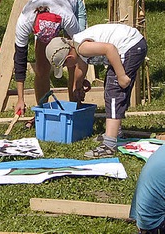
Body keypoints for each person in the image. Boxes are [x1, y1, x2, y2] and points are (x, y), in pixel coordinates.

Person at [45, 23, 147, 158]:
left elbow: (109, 49)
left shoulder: (82, 48)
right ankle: (114, 132)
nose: (67, 67)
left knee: (114, 91)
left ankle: (109, 145)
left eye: (64, 65)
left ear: (69, 58)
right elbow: (81, 68)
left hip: (130, 46)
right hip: (131, 44)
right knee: (111, 87)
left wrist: (121, 76)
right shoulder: (77, 46)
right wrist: (78, 86)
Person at [13, 0, 87, 116]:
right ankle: (42, 112)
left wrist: (81, 79)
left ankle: (75, 110)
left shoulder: (67, 17)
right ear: (34, 28)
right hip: (44, 1)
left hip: (71, 4)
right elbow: (20, 60)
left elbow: (83, 51)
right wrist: (20, 99)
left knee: (72, 63)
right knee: (41, 68)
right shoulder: (24, 21)